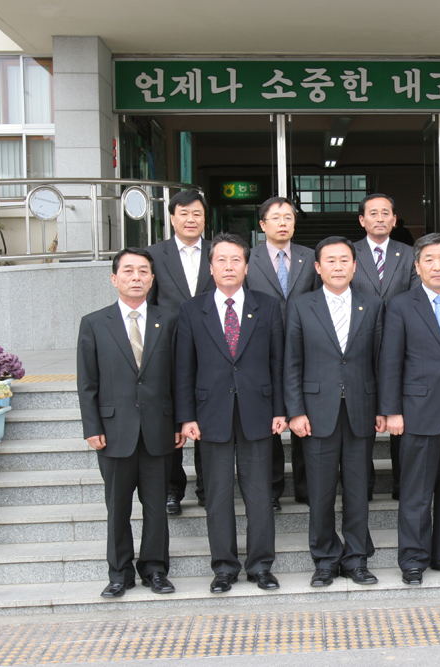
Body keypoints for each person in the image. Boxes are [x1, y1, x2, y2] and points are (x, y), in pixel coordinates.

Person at [175, 233, 287, 594]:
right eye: (221, 260)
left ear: (246, 265)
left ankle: (261, 566)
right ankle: (224, 567)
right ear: (210, 267)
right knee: (218, 496)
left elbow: (279, 362)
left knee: (259, 495)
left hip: (258, 411)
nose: (228, 267)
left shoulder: (267, 306)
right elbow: (184, 368)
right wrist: (187, 416)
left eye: (235, 260)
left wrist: (281, 409)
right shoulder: (193, 309)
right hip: (211, 415)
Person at [77, 248, 180, 598]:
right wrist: (92, 426)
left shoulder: (168, 320)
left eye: (143, 271)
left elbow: (179, 378)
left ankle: (155, 570)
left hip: (158, 430)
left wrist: (180, 422)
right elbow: (87, 381)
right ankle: (119, 572)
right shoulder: (93, 323)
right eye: (128, 271)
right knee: (117, 508)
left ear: (152, 279)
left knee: (156, 508)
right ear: (114, 278)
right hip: (114, 431)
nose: (136, 277)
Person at [284, 236, 383, 587]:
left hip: (361, 409)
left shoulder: (372, 305)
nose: (338, 266)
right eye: (331, 260)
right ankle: (325, 559)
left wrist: (384, 408)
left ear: (355, 266)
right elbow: (292, 362)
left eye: (345, 260)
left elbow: (380, 362)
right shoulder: (300, 306)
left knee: (358, 490)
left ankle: (356, 559)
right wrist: (294, 410)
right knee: (321, 492)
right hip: (316, 411)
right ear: (317, 267)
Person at [379, 233, 440, 585]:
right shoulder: (401, 305)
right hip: (417, 409)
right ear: (417, 266)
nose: (438, 266)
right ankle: (413, 560)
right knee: (416, 490)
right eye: (430, 260)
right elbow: (390, 361)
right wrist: (391, 410)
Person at [246, 196, 321, 511]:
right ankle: (273, 489)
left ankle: (306, 487)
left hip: (306, 349)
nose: (282, 223)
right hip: (261, 349)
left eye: (288, 217)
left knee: (306, 418)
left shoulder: (311, 256)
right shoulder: (248, 258)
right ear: (262, 224)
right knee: (270, 421)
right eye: (275, 218)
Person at [146, 190, 212, 517]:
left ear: (205, 218)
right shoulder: (154, 255)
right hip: (168, 350)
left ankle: (207, 487)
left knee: (209, 418)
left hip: (213, 351)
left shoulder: (219, 253)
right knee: (170, 420)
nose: (190, 219)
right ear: (172, 217)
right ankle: (173, 488)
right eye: (184, 213)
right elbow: (148, 305)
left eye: (197, 214)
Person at [352, 193, 420, 500]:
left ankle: (401, 485)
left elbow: (416, 300)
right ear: (362, 220)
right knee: (360, 421)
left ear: (395, 219)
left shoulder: (409, 254)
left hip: (402, 349)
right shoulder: (348, 254)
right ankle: (361, 486)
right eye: (373, 213)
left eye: (385, 213)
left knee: (399, 419)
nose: (380, 218)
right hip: (357, 349)